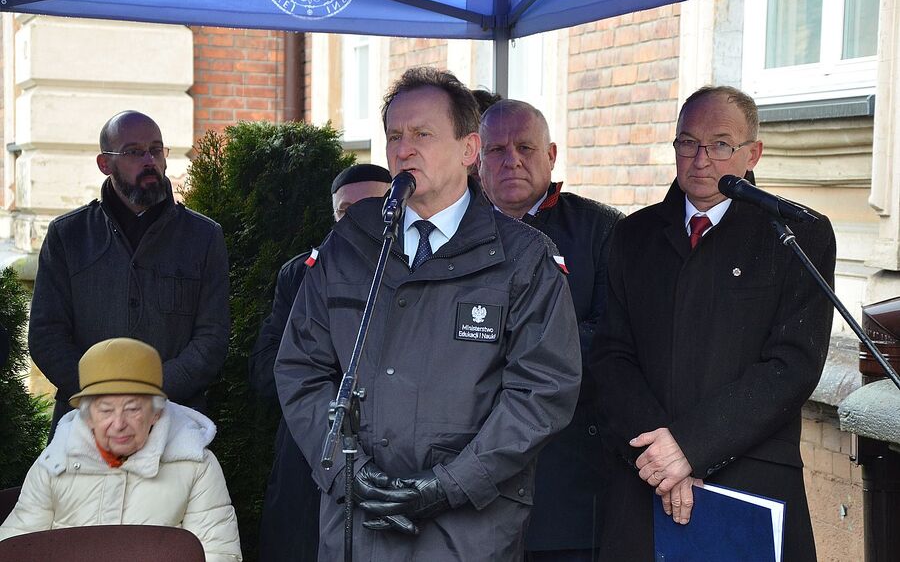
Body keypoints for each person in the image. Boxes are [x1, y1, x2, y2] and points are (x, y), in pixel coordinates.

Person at [275, 66, 582, 561]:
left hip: (467, 532)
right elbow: (300, 369)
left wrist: (448, 485)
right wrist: (345, 471)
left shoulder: (524, 258)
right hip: (359, 524)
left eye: (422, 134)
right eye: (394, 136)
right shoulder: (351, 242)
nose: (404, 150)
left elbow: (541, 393)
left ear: (469, 149)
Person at [591, 86, 836, 561]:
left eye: (720, 144)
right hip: (645, 475)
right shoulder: (633, 235)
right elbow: (611, 356)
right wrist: (662, 457)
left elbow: (793, 364)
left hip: (749, 478)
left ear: (753, 154)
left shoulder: (796, 234)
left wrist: (692, 446)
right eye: (688, 142)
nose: (701, 159)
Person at [479, 99, 623, 560]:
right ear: (476, 159)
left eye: (525, 147)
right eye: (496, 149)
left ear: (552, 154)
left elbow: (612, 338)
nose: (511, 160)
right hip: (470, 481)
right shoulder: (451, 231)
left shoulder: (601, 229)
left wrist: (505, 356)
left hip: (568, 477)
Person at [28, 110, 229, 433]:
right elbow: (46, 335)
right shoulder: (68, 235)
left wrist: (149, 395)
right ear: (105, 164)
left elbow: (212, 338)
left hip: (174, 426)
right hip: (83, 427)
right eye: (134, 152)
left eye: (156, 150)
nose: (149, 160)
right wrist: (102, 398)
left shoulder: (203, 237)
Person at [249, 163, 391, 562]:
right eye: (346, 211)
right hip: (307, 456)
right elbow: (265, 371)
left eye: (372, 207)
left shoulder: (425, 273)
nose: (358, 220)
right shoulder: (300, 274)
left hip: (386, 459)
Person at [0, 337, 242, 561]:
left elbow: (218, 552)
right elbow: (16, 544)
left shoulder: (196, 466)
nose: (118, 424)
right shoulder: (54, 462)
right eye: (105, 410)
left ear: (156, 413)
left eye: (133, 409)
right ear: (87, 416)